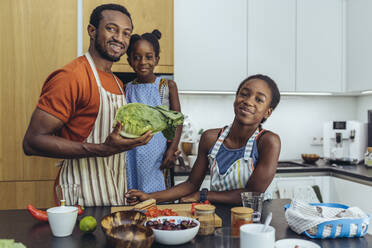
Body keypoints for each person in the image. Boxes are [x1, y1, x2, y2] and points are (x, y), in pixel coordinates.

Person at [22, 4, 152, 207]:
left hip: (114, 192)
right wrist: (102, 149)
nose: (120, 38)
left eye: (126, 33)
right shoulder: (71, 77)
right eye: (111, 29)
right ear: (92, 31)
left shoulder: (118, 83)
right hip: (80, 194)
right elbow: (32, 142)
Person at [125, 74, 281, 205]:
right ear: (236, 98)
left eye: (259, 99)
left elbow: (252, 193)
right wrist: (150, 197)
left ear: (268, 112)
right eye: (244, 94)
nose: (248, 101)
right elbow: (191, 184)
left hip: (255, 219)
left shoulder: (268, 142)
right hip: (216, 215)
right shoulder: (210, 138)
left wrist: (204, 195)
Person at [125, 29, 182, 193]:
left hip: (159, 156)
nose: (143, 62)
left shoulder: (167, 86)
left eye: (148, 57)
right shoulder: (126, 89)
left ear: (156, 59)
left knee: (158, 198)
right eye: (137, 57)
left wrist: (172, 150)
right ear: (129, 60)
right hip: (131, 154)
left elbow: (177, 121)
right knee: (133, 194)